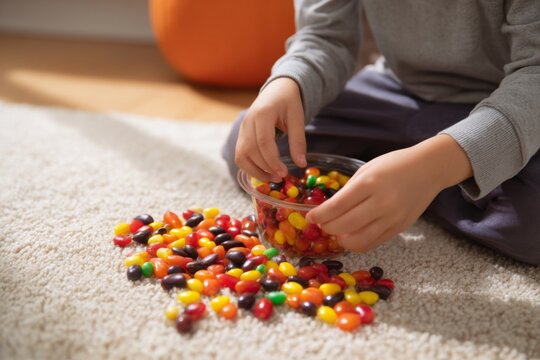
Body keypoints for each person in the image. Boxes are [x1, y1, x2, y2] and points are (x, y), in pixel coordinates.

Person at [222, 0, 540, 265]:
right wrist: (289, 82)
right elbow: (323, 36)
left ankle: (419, 182)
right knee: (254, 144)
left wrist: (433, 169)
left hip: (504, 106)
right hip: (394, 92)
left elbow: (534, 77)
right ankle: (411, 184)